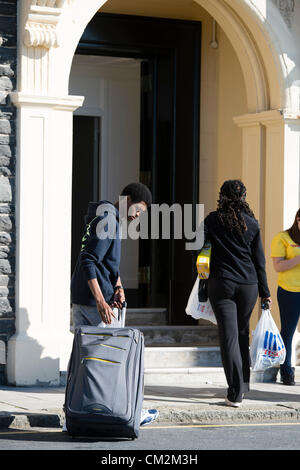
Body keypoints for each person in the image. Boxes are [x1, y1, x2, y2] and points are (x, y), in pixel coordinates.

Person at [69, 182, 158, 427]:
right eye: (138, 210)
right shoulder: (108, 218)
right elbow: (88, 259)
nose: (138, 216)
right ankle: (125, 411)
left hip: (85, 297)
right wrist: (101, 300)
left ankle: (77, 413)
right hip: (94, 303)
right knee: (106, 363)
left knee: (87, 362)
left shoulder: (107, 216)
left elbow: (107, 262)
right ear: (128, 199)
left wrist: (118, 286)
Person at [200, 180, 271, 407]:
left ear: (222, 196)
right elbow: (259, 262)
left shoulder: (212, 220)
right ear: (244, 198)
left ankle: (235, 393)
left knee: (228, 337)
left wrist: (202, 281)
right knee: (241, 335)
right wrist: (265, 292)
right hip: (249, 286)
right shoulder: (252, 223)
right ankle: (244, 385)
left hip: (222, 284)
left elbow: (199, 251)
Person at [271, 209, 300, 385]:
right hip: (290, 291)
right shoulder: (282, 237)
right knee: (288, 332)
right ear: (298, 220)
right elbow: (278, 266)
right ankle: (286, 372)